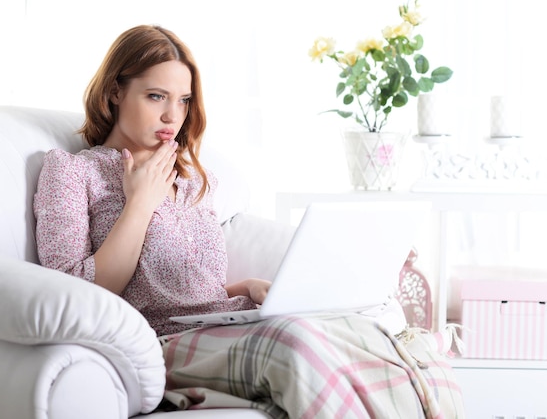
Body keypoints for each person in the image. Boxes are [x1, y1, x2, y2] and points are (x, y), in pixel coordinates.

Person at [34, 25, 464, 418]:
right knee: (296, 342)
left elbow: (180, 285)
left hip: (225, 323)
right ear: (114, 92)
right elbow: (77, 294)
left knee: (364, 331)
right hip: (159, 343)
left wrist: (244, 289)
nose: (173, 116)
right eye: (155, 96)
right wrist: (139, 205)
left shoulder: (192, 180)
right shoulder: (72, 172)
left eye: (183, 100)